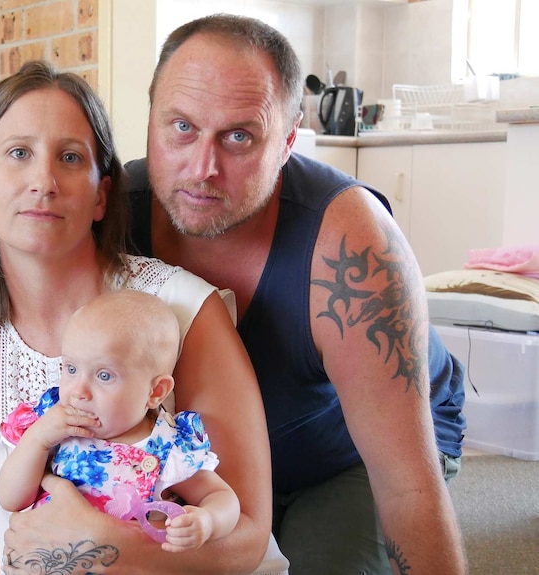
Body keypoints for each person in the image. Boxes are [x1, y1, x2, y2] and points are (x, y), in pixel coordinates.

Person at [119, 13, 468, 575]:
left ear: (286, 142)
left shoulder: (354, 248)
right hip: (200, 461)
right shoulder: (113, 215)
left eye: (239, 137)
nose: (203, 168)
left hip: (348, 455)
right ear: (151, 117)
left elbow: (407, 489)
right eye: (181, 127)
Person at [0, 59, 274, 575]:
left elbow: (247, 539)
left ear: (102, 195)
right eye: (18, 153)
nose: (44, 181)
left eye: (71, 158)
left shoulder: (184, 312)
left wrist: (104, 543)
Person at [0, 289, 240, 553]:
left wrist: (208, 521)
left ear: (155, 392)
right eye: (71, 368)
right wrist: (37, 440)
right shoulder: (52, 428)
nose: (79, 391)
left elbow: (220, 497)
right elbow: (11, 498)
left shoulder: (167, 450)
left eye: (104, 376)